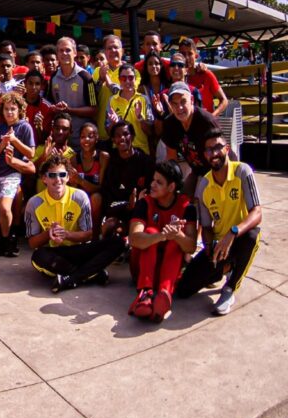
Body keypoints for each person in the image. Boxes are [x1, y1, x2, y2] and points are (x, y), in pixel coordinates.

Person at [175, 130, 262, 316]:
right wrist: (210, 247)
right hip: (220, 245)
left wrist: (233, 232)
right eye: (208, 150)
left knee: (253, 235)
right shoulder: (204, 185)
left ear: (227, 149)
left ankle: (230, 288)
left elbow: (257, 212)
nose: (213, 153)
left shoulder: (242, 171)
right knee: (182, 290)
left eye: (217, 147)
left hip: (239, 236)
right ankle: (226, 267)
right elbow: (206, 227)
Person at [24, 154, 124, 293]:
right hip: (55, 253)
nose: (58, 180)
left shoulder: (80, 197)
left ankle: (70, 279)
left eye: (62, 174)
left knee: (118, 243)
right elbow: (32, 243)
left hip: (78, 250)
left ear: (68, 177)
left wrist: (67, 234)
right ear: (44, 178)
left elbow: (89, 235)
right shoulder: (34, 203)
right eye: (52, 175)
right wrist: (49, 234)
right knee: (37, 257)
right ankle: (89, 274)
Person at [127, 160, 198, 322]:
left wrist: (176, 235)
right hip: (142, 268)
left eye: (159, 182)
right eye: (153, 180)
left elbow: (191, 247)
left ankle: (164, 294)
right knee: (151, 232)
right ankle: (146, 292)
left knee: (176, 239)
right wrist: (162, 236)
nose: (152, 184)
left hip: (168, 270)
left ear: (172, 187)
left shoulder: (187, 207)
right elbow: (134, 239)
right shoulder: (145, 203)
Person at [0, 91, 36, 257]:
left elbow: (31, 154)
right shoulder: (0, 127)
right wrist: (4, 142)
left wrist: (15, 140)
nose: (9, 112)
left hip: (12, 174)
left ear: (20, 110)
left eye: (13, 109)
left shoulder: (25, 127)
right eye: (6, 109)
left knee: (4, 207)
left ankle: (6, 239)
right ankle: (2, 238)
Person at [161, 81, 221, 197]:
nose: (180, 108)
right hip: (196, 170)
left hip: (215, 169)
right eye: (175, 104)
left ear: (192, 100)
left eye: (183, 102)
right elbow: (171, 159)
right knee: (183, 200)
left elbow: (220, 157)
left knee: (202, 199)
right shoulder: (169, 124)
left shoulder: (206, 121)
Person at [99, 120, 154, 239]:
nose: (122, 138)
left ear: (133, 136)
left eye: (125, 134)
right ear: (113, 140)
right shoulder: (111, 162)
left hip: (140, 211)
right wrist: (126, 205)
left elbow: (150, 190)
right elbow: (107, 194)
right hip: (117, 210)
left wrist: (137, 203)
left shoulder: (145, 161)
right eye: (118, 136)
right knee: (110, 226)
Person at [47, 37, 97, 144]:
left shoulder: (86, 78)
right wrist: (53, 108)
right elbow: (50, 102)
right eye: (61, 50)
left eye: (68, 50)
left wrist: (69, 110)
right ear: (57, 54)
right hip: (61, 140)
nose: (64, 53)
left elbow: (94, 109)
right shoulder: (53, 77)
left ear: (74, 53)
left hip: (82, 140)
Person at [93, 35, 138, 147]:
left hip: (125, 135)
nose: (113, 51)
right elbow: (92, 97)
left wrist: (107, 80)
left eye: (116, 47)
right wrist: (99, 80)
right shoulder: (97, 71)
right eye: (109, 48)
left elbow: (122, 93)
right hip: (103, 133)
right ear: (105, 52)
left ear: (122, 51)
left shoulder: (131, 72)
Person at [70, 122, 108, 238]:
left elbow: (100, 187)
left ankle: (95, 235)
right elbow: (73, 188)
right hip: (81, 196)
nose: (86, 140)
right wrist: (73, 181)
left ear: (96, 138)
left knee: (96, 198)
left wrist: (80, 181)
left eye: (90, 136)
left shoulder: (103, 157)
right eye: (82, 136)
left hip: (97, 198)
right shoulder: (74, 159)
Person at [106, 63, 153, 155]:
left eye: (131, 78)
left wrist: (140, 118)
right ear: (119, 80)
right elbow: (108, 131)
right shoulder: (112, 100)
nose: (127, 81)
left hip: (141, 151)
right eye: (124, 78)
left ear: (135, 79)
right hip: (120, 152)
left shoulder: (143, 99)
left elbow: (150, 131)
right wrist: (113, 123)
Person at [180, 38, 229, 116]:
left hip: (205, 123)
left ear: (196, 55)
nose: (186, 57)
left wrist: (212, 116)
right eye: (183, 54)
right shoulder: (177, 77)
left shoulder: (206, 75)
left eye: (190, 53)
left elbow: (224, 100)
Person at [23, 69, 53, 146]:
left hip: (38, 149)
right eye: (30, 83)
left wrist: (39, 127)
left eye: (37, 84)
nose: (33, 87)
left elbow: (45, 139)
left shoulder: (47, 107)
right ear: (25, 84)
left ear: (42, 86)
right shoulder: (17, 103)